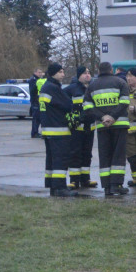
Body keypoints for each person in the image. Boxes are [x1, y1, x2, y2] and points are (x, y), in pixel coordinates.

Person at [84, 61, 130, 196]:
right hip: (119, 124)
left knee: (105, 155)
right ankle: (116, 185)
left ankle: (107, 187)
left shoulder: (92, 85)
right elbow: (124, 102)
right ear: (111, 70)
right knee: (118, 155)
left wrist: (102, 117)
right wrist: (113, 117)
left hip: (102, 126)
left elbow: (87, 107)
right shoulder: (121, 82)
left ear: (98, 71)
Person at [39, 63, 77, 197]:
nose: (63, 74)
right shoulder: (53, 88)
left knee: (51, 159)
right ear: (54, 73)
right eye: (61, 72)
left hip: (48, 129)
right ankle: (60, 187)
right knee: (60, 159)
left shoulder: (45, 87)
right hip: (58, 129)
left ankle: (52, 186)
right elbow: (68, 105)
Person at [65, 66, 96, 189]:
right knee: (75, 154)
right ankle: (74, 180)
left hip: (90, 127)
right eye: (84, 73)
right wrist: (70, 120)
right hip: (76, 128)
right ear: (78, 76)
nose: (87, 75)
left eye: (89, 73)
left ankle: (85, 179)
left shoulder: (93, 88)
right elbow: (64, 107)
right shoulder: (71, 89)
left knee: (87, 154)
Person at [27, 68, 45, 137]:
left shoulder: (38, 80)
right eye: (39, 72)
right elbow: (33, 90)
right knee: (36, 118)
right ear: (35, 72)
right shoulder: (33, 80)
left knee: (39, 118)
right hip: (35, 101)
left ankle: (36, 131)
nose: (40, 74)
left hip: (38, 101)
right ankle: (34, 133)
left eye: (41, 72)